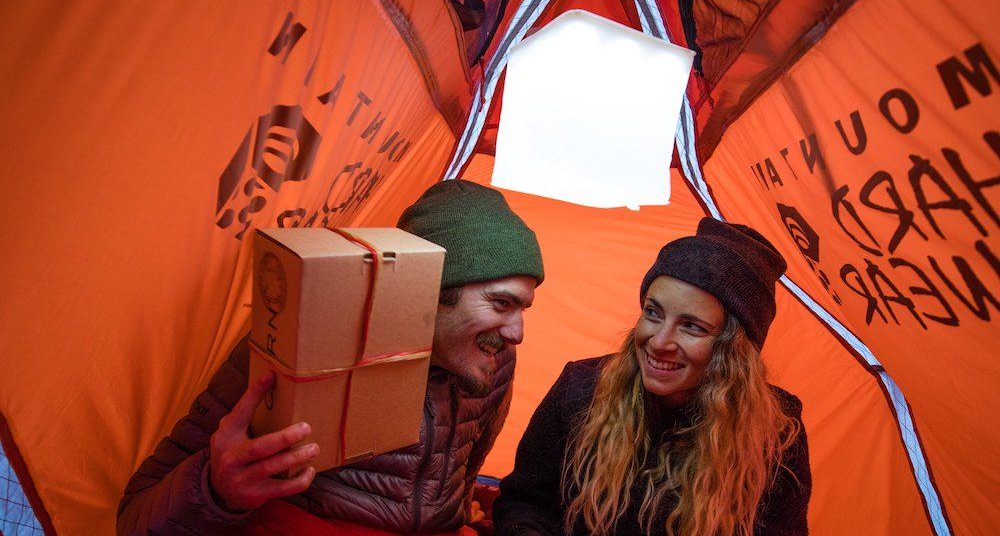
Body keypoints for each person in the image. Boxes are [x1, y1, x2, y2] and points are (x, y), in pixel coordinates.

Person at [117, 180, 545, 535]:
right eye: (501, 303)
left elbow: (466, 475)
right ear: (433, 290)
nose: (518, 333)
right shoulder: (301, 341)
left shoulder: (493, 360)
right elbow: (136, 518)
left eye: (524, 308)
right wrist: (216, 488)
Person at [493, 218, 811, 536]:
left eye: (692, 326)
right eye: (653, 312)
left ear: (733, 351)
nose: (659, 342)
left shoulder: (775, 435)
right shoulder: (582, 389)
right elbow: (525, 503)